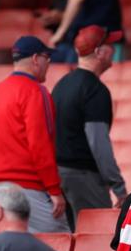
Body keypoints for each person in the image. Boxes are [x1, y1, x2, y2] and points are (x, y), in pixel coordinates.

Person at [0, 36, 69, 233]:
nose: (49, 63)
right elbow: (40, 144)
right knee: (60, 243)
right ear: (36, 58)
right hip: (24, 187)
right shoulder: (36, 91)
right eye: (47, 57)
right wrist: (54, 190)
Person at [52, 25, 127, 225]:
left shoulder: (62, 85)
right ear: (99, 52)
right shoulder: (96, 91)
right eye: (110, 44)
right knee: (97, 238)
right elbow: (98, 142)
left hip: (58, 176)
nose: (114, 48)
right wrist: (118, 187)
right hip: (83, 178)